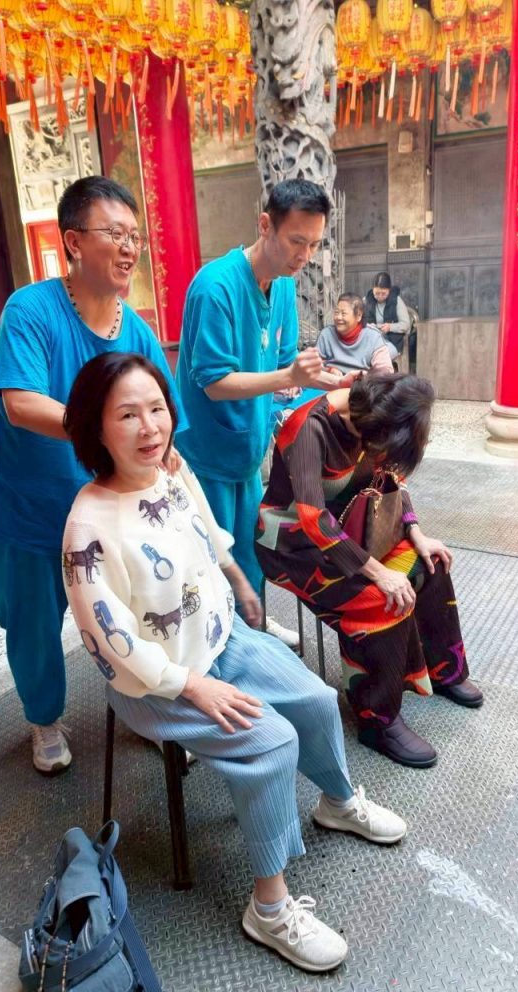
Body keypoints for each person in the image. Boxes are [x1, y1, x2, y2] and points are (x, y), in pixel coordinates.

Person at [62, 351, 408, 973]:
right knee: (272, 742)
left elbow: (204, 530)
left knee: (316, 699)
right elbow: (110, 640)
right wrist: (190, 686)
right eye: (127, 415)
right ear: (96, 427)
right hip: (160, 684)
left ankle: (336, 801)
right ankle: (269, 908)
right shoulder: (88, 527)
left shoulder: (170, 473)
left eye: (157, 409)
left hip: (222, 642)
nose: (149, 427)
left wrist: (238, 581)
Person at [0, 175, 181, 776]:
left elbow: (164, 415)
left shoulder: (136, 330)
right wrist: (106, 430)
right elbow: (20, 403)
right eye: (115, 233)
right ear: (72, 241)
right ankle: (44, 719)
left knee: (135, 611)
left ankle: (146, 708)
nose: (129, 248)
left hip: (109, 518)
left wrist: (168, 453)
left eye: (135, 237)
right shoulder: (31, 310)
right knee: (35, 625)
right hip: (30, 509)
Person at [255, 373, 483, 769]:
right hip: (296, 548)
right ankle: (377, 719)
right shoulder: (309, 429)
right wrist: (378, 572)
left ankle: (443, 668)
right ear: (378, 431)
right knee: (380, 598)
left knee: (430, 565)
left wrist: (416, 532)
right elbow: (313, 518)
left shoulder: (373, 417)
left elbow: (392, 477)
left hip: (354, 530)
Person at [176, 180, 339, 650]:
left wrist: (312, 381)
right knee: (212, 558)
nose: (304, 255)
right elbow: (214, 381)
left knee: (251, 552)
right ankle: (222, 647)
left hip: (248, 448)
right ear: (266, 225)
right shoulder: (216, 287)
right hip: (207, 452)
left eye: (314, 244)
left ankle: (256, 628)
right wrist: (285, 376)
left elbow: (282, 369)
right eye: (296, 241)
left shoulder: (283, 284)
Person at [316, 293, 395, 374]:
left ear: (358, 316)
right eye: (336, 312)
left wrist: (364, 376)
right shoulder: (327, 334)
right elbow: (315, 364)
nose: (338, 317)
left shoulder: (373, 337)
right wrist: (329, 370)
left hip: (362, 380)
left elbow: (386, 370)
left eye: (343, 313)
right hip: (332, 379)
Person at [364, 272, 412, 361]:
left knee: (378, 358)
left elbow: (406, 325)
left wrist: (390, 327)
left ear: (389, 290)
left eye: (383, 293)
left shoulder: (396, 301)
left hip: (392, 341)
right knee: (363, 356)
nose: (380, 296)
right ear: (372, 289)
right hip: (372, 341)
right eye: (377, 293)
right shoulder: (367, 300)